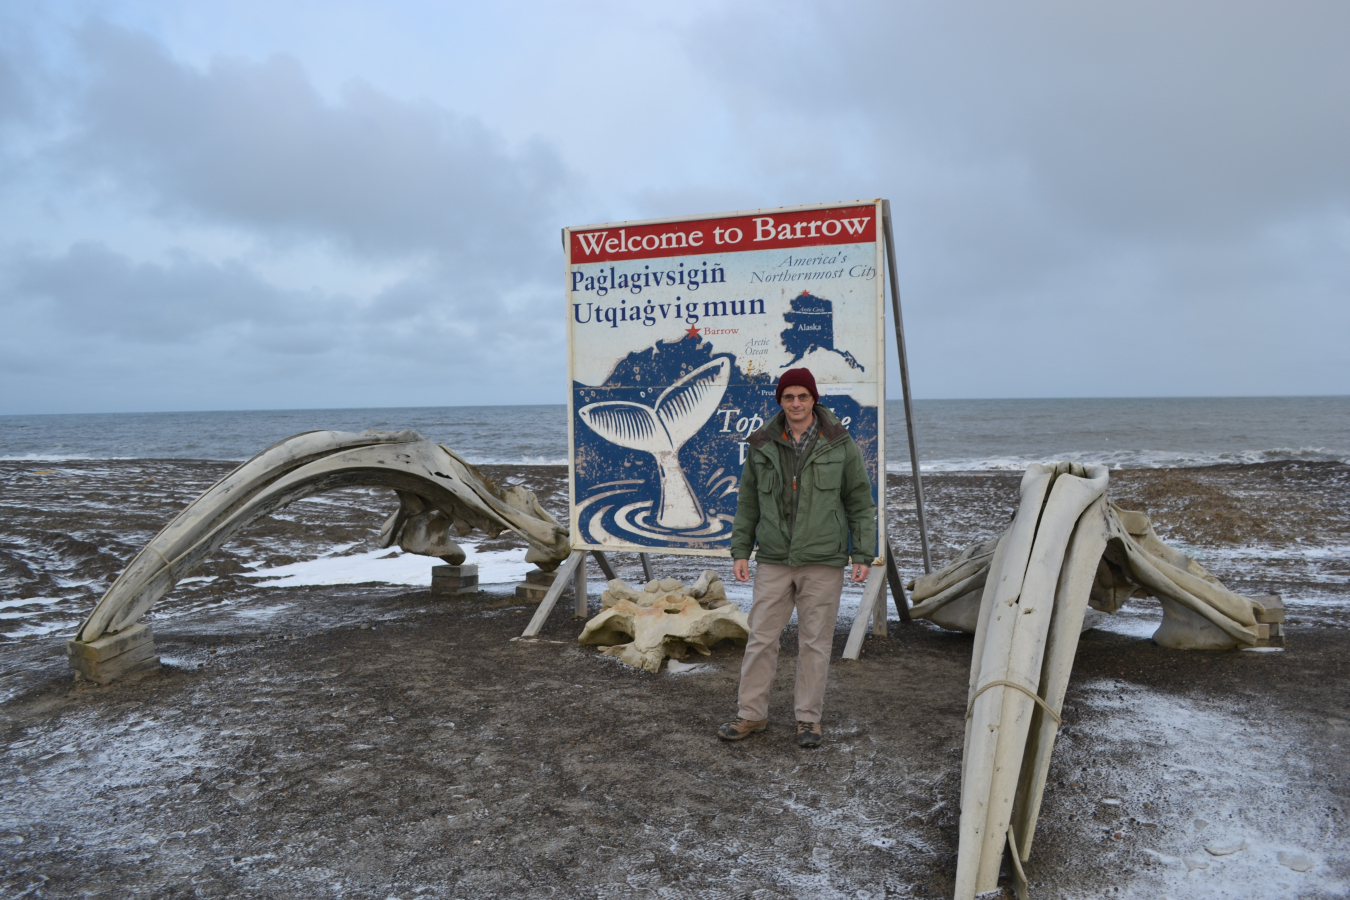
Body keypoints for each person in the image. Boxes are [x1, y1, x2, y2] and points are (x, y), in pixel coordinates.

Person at [718, 367, 876, 748]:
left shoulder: (840, 443)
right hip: (773, 558)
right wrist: (741, 550)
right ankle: (751, 716)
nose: (796, 403)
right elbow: (748, 503)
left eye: (802, 396)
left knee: (816, 643)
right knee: (760, 639)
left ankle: (808, 720)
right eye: (788, 397)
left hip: (823, 559)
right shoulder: (761, 444)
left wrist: (863, 553)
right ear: (780, 401)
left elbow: (859, 501)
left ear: (813, 399)